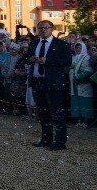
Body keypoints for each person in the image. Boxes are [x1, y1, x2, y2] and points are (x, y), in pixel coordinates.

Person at [28, 20, 73, 150]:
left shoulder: (61, 44)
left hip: (53, 82)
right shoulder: (35, 42)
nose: (43, 30)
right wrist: (29, 59)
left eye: (46, 28)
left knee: (56, 113)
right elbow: (26, 57)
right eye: (40, 28)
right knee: (43, 113)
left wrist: (48, 61)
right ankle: (46, 139)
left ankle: (60, 141)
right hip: (38, 81)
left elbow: (67, 61)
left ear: (51, 28)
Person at [69, 42, 95, 127]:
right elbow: (69, 70)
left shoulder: (87, 58)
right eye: (76, 48)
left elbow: (89, 70)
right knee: (76, 102)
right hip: (74, 84)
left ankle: (86, 121)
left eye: (80, 48)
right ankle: (79, 120)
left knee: (85, 102)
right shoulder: (74, 58)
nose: (78, 49)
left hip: (83, 83)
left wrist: (77, 77)